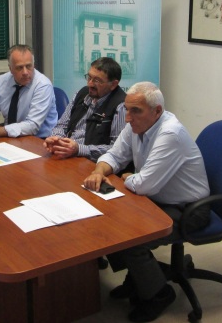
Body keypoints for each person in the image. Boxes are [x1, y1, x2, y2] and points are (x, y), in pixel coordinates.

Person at [83, 82, 210, 323]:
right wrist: (99, 171)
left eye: (136, 111)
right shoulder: (136, 124)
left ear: (157, 111)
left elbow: (144, 185)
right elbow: (115, 155)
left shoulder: (170, 134)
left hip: (190, 209)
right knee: (109, 220)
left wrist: (127, 177)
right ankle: (138, 279)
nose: (128, 118)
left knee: (131, 239)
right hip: (157, 199)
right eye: (127, 109)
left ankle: (159, 294)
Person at [43, 57, 126, 161]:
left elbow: (118, 149)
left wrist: (79, 149)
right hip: (67, 155)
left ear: (113, 84)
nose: (90, 84)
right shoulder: (82, 93)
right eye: (89, 77)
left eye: (97, 80)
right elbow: (62, 125)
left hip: (94, 163)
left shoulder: (121, 106)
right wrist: (57, 140)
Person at [0, 44, 57, 139]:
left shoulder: (43, 85)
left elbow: (32, 125)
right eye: (19, 68)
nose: (25, 72)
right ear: (10, 69)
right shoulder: (1, 81)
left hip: (40, 139)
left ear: (34, 65)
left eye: (28, 66)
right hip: (10, 137)